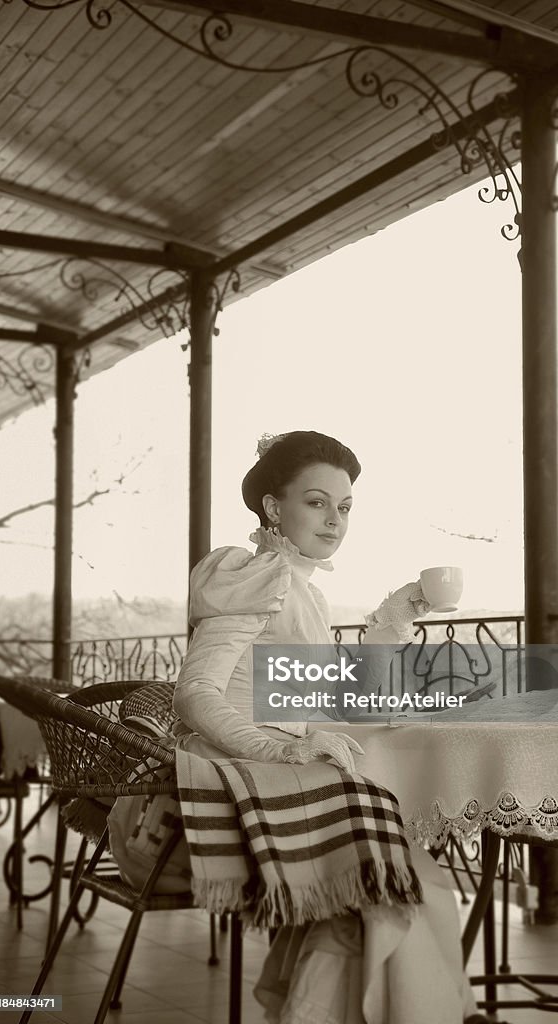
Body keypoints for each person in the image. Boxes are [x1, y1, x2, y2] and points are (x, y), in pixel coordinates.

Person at [171, 431, 489, 1023]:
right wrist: (282, 749)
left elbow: (337, 703)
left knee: (408, 884)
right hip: (238, 771)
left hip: (283, 763)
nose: (335, 520)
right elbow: (195, 695)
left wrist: (397, 615)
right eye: (316, 503)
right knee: (397, 885)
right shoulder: (253, 576)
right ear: (273, 507)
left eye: (344, 508)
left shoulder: (302, 591)